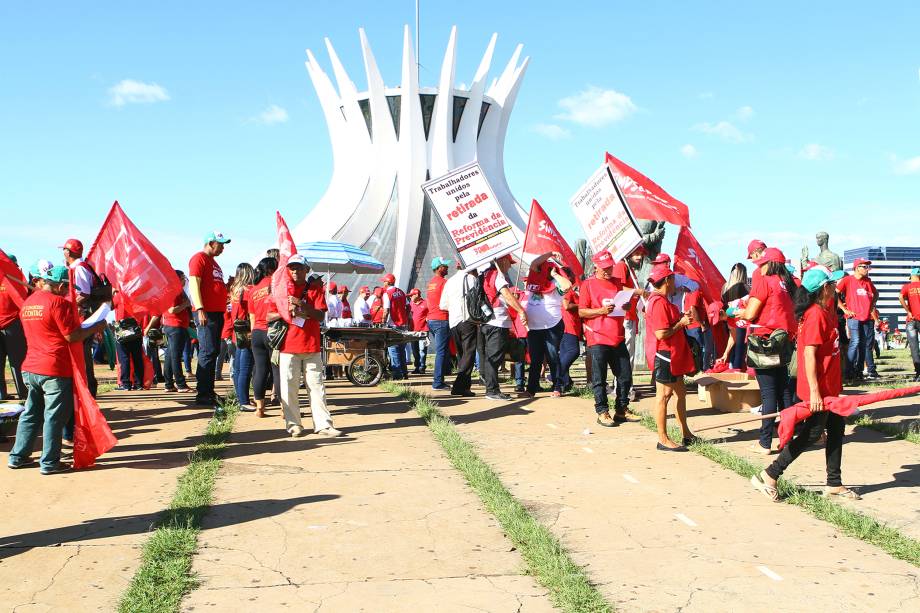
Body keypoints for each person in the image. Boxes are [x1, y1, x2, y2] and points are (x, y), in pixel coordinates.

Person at [752, 267, 859, 501]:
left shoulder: (825, 311)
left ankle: (834, 483)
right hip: (818, 388)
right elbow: (809, 355)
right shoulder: (815, 315)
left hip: (829, 387)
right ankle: (770, 474)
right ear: (824, 289)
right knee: (811, 433)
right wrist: (814, 392)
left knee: (837, 429)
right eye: (832, 284)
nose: (836, 287)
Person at [7, 265, 106, 474]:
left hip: (31, 368)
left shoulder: (28, 303)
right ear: (61, 286)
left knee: (31, 413)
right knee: (54, 417)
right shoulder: (57, 303)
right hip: (54, 368)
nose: (68, 291)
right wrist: (95, 327)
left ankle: (18, 456)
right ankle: (50, 462)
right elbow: (72, 336)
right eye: (67, 288)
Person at [736, 247, 797, 454]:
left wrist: (736, 311)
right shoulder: (788, 284)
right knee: (784, 393)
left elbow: (752, 312)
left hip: (765, 341)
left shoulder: (766, 281)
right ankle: (787, 438)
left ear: (769, 264)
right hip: (784, 341)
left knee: (769, 394)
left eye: (761, 265)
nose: (759, 269)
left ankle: (764, 442)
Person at [276, 254, 341, 438]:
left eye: (299, 267)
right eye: (292, 268)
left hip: (311, 346)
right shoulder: (283, 290)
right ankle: (293, 425)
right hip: (288, 347)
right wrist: (285, 312)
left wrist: (302, 306)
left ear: (307, 270)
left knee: (317, 387)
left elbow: (320, 316)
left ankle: (323, 425)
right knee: (289, 389)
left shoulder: (315, 289)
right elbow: (271, 315)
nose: (295, 271)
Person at [645, 260, 697, 451]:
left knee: (680, 393)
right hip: (665, 354)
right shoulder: (658, 302)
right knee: (664, 396)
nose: (675, 283)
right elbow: (661, 333)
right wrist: (681, 323)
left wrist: (681, 318)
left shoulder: (662, 301)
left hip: (672, 354)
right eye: (673, 279)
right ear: (667, 280)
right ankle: (663, 439)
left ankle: (686, 433)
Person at [579, 250, 633, 427]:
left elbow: (626, 303)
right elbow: (581, 311)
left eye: (610, 267)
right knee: (599, 378)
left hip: (617, 336)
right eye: (604, 268)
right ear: (596, 267)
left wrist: (627, 304)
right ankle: (602, 411)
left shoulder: (618, 283)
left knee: (625, 375)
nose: (608, 271)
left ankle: (621, 409)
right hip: (597, 337)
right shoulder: (587, 284)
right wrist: (600, 311)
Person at [188, 231, 230, 409]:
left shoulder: (214, 263)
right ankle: (203, 394)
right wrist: (200, 309)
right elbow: (193, 284)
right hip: (206, 313)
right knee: (207, 351)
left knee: (212, 351)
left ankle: (208, 390)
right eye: (220, 244)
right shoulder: (199, 258)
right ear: (211, 243)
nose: (223, 247)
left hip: (216, 313)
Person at [478, 254, 528, 401]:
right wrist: (521, 310)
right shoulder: (497, 275)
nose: (510, 266)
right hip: (497, 322)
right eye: (509, 263)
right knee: (494, 358)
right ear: (503, 261)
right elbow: (506, 294)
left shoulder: (486, 274)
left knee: (492, 357)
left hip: (488, 322)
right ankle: (492, 391)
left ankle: (492, 389)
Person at [522, 251, 565, 398]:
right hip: (534, 328)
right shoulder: (533, 280)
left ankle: (557, 387)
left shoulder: (556, 283)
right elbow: (534, 263)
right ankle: (531, 390)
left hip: (552, 326)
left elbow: (568, 286)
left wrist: (554, 275)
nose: (539, 270)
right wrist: (550, 253)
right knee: (535, 360)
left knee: (553, 357)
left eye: (544, 269)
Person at [61, 238, 99, 397]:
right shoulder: (78, 267)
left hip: (82, 315)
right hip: (82, 315)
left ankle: (89, 389)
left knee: (82, 355)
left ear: (68, 252)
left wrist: (68, 306)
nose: (63, 252)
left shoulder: (80, 268)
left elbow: (84, 293)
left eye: (63, 249)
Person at [244, 257, 277, 417]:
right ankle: (285, 410)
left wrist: (254, 335)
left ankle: (259, 409)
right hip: (272, 331)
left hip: (256, 331)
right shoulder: (274, 283)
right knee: (277, 370)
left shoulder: (253, 289)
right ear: (271, 269)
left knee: (261, 370)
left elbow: (251, 316)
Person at [837, 258, 879, 381]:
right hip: (853, 317)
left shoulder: (868, 282)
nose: (867, 269)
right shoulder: (848, 280)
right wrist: (845, 310)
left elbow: (876, 294)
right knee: (855, 342)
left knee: (863, 345)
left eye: (868, 267)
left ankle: (859, 371)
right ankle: (848, 371)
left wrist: (871, 307)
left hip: (866, 317)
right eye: (865, 267)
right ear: (857, 268)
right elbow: (835, 293)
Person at [440, 266, 480, 397]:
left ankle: (464, 387)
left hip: (453, 321)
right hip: (467, 319)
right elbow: (478, 299)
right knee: (468, 354)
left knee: (461, 355)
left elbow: (443, 305)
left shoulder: (449, 281)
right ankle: (459, 386)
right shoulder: (472, 279)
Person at [0, 254, 28, 400]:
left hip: (12, 325)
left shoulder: (10, 280)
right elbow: (22, 303)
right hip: (13, 326)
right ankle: (23, 395)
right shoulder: (10, 280)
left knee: (15, 364)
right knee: (18, 364)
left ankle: (4, 396)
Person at [229, 263, 255, 411]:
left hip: (236, 331)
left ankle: (241, 397)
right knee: (245, 367)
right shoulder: (248, 291)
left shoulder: (234, 290)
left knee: (239, 367)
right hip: (247, 331)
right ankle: (243, 401)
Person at [162, 270, 192, 393]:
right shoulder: (173, 290)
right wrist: (185, 304)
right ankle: (181, 384)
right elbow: (171, 310)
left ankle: (169, 384)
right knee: (175, 356)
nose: (185, 280)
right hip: (175, 326)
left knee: (170, 355)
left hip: (173, 326)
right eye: (183, 277)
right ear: (178, 278)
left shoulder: (173, 290)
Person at [426, 256, 453, 390]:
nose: (447, 268)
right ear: (439, 268)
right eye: (445, 266)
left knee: (442, 351)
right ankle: (437, 383)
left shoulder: (431, 283)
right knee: (441, 352)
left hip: (431, 319)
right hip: (442, 319)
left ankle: (441, 379)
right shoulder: (444, 282)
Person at [112, 291, 145, 391]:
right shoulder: (137, 294)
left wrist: (112, 293)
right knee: (137, 357)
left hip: (122, 329)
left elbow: (110, 306)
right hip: (135, 328)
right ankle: (139, 383)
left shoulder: (118, 295)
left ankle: (126, 384)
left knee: (124, 357)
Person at [720, 262, 751, 369]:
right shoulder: (745, 287)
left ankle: (732, 366)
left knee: (732, 343)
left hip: (727, 318)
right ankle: (738, 368)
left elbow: (722, 302)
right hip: (741, 318)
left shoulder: (725, 287)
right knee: (740, 347)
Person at [380, 273, 410, 379]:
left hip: (393, 325)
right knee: (402, 349)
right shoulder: (401, 292)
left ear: (388, 282)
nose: (383, 283)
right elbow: (408, 306)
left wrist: (383, 323)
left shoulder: (387, 293)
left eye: (384, 281)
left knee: (393, 350)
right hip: (403, 324)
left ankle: (397, 374)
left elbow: (386, 310)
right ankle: (404, 373)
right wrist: (405, 317)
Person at [559, 267, 582, 393]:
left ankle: (565, 382)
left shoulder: (571, 290)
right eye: (572, 274)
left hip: (570, 325)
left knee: (564, 354)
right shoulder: (567, 290)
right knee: (574, 351)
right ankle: (556, 373)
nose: (574, 276)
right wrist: (582, 305)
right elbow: (566, 306)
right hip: (569, 325)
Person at [899, 267, 920, 381]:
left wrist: (908, 311)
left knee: (914, 347)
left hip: (911, 319)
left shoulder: (907, 286)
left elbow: (900, 296)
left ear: (912, 276)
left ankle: (918, 373)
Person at [408, 288, 429, 374]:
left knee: (422, 350)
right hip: (413, 331)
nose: (410, 297)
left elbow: (430, 313)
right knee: (415, 351)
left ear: (416, 295)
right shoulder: (411, 304)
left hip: (423, 331)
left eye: (411, 295)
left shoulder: (426, 303)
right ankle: (417, 367)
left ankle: (422, 367)